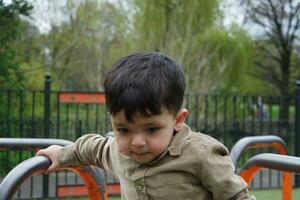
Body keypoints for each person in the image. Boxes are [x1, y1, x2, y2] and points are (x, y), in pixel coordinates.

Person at [37, 51, 256, 200]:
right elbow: (92, 148)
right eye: (123, 130)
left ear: (178, 120)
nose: (137, 142)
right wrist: (62, 154)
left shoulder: (201, 155)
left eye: (151, 129)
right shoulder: (117, 151)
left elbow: (237, 196)